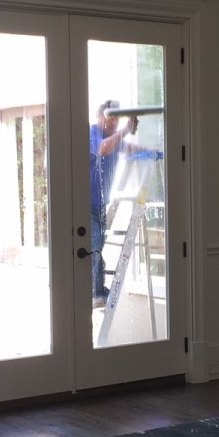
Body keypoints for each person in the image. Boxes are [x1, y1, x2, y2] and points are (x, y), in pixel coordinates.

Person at [90, 99, 138, 307]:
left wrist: (158, 151)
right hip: (84, 204)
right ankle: (95, 293)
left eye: (116, 121)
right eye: (110, 119)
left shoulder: (114, 138)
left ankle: (97, 291)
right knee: (93, 248)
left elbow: (130, 149)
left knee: (96, 248)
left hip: (100, 205)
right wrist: (126, 130)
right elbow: (103, 149)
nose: (113, 124)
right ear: (99, 117)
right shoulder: (91, 134)